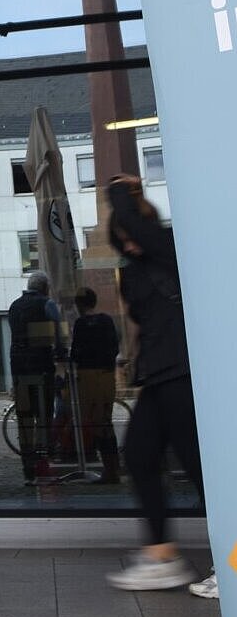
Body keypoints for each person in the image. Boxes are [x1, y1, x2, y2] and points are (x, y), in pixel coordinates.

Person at [104, 175, 212, 594]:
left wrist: (118, 190)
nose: (129, 245)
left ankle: (234, 561)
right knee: (139, 455)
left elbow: (139, 227)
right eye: (122, 240)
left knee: (202, 470)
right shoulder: (134, 272)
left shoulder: (171, 250)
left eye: (132, 236)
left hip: (186, 373)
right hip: (159, 376)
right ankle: (162, 555)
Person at [6, 271, 64, 484]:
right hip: (41, 366)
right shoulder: (47, 304)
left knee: (25, 419)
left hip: (19, 368)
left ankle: (28, 469)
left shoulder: (14, 306)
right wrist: (60, 353)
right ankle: (42, 466)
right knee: (44, 416)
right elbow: (57, 335)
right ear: (45, 287)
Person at [69, 286, 121, 482]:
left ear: (79, 304)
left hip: (88, 376)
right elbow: (114, 346)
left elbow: (75, 353)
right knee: (105, 421)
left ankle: (110, 470)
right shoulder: (106, 321)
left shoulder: (81, 324)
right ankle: (113, 468)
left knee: (97, 422)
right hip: (107, 374)